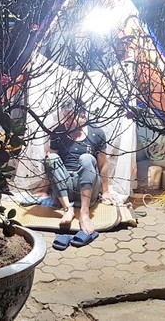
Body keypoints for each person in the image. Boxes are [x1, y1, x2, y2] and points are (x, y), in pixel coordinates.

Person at [46, 100, 111, 235]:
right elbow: (52, 168)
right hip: (66, 187)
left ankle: (84, 212)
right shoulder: (57, 133)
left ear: (83, 117)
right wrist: (43, 189)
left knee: (86, 158)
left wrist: (105, 191)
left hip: (89, 187)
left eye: (70, 117)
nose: (66, 121)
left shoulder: (97, 133)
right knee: (50, 158)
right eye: (64, 117)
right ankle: (67, 209)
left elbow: (103, 164)